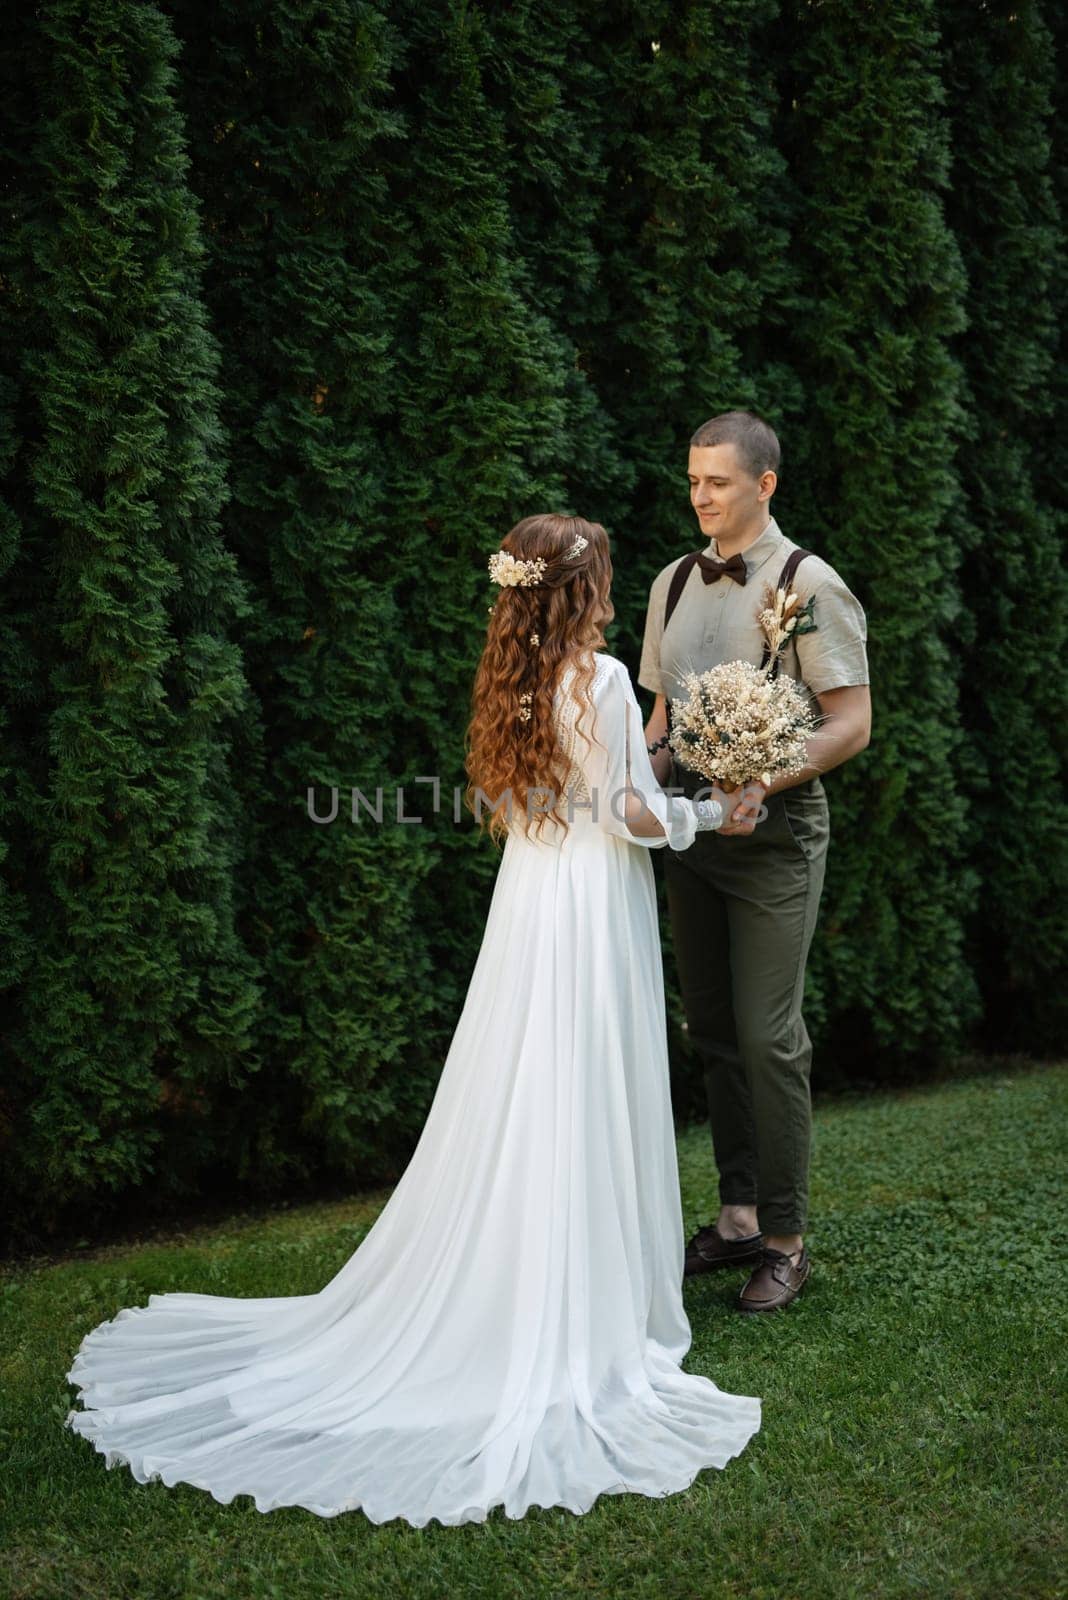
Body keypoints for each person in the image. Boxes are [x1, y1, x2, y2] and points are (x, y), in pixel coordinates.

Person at [64, 512, 762, 1528]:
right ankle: (580, 1300)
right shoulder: (601, 676)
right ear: (580, 589)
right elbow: (624, 815)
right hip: (588, 898)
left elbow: (566, 790)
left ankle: (535, 1271)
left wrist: (660, 781)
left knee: (531, 1079)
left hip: (533, 895)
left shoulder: (515, 675)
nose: (611, 591)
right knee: (579, 1078)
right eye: (602, 576)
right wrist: (711, 814)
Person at [639, 411, 872, 1313]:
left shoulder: (809, 583)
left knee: (771, 1038)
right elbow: (661, 725)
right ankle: (738, 1218)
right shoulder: (669, 583)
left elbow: (851, 723)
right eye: (693, 481)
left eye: (719, 482)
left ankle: (786, 1238)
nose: (701, 497)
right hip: (695, 837)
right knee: (713, 1033)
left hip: (774, 839)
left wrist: (762, 781)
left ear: (764, 484)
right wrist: (628, 791)